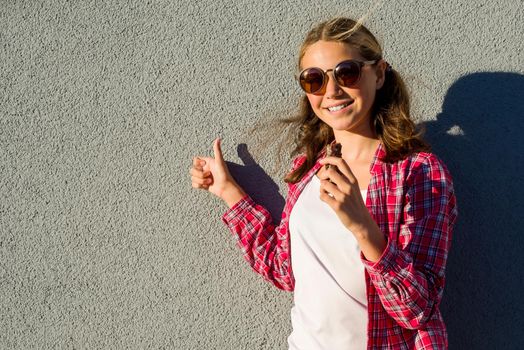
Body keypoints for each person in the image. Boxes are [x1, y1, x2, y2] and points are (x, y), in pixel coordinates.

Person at [190, 17, 458, 350]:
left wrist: (363, 227)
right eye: (314, 80)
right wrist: (228, 191)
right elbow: (284, 269)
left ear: (378, 73)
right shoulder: (306, 168)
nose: (331, 91)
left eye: (347, 73)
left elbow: (417, 310)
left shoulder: (419, 173)